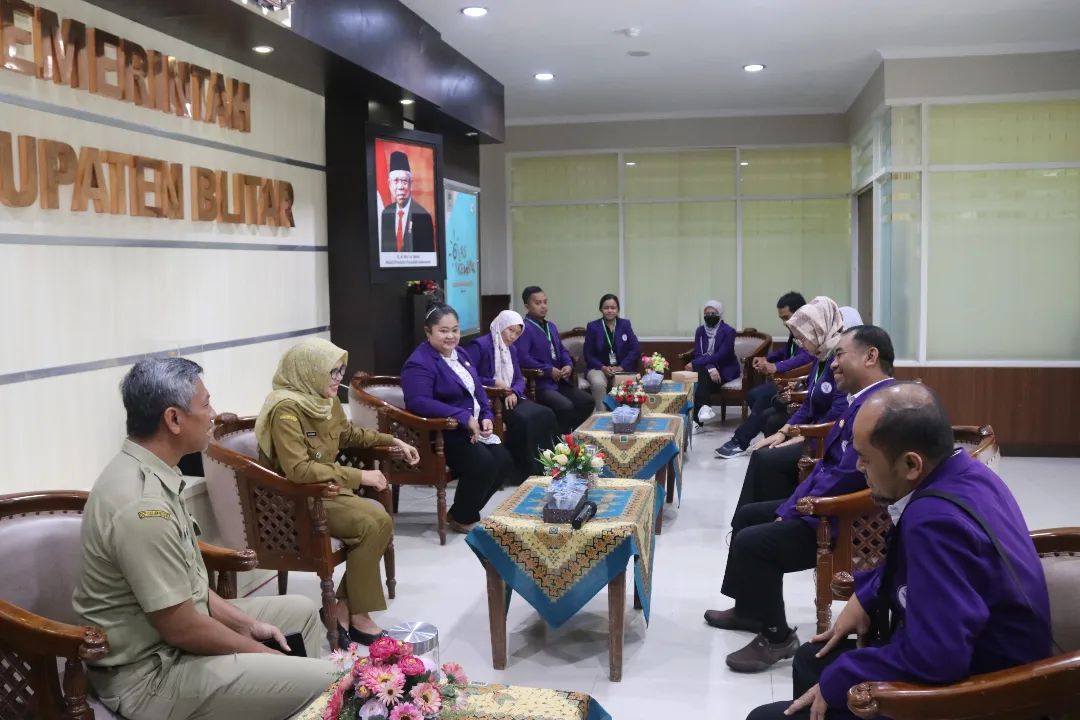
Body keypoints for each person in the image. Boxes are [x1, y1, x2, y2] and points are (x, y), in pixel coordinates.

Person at [747, 383, 1052, 720]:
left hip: (985, 694)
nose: (858, 468)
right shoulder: (968, 472)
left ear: (911, 464)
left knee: (768, 714)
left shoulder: (933, 522)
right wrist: (866, 595)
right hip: (978, 653)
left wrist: (840, 679)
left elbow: (939, 659)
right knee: (812, 659)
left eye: (865, 458)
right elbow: (923, 570)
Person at [73, 358, 338, 720]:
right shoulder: (142, 508)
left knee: (300, 611)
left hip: (169, 640)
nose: (213, 414)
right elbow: (182, 628)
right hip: (149, 675)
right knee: (331, 682)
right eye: (205, 403)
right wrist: (264, 656)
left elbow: (189, 586)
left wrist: (248, 626)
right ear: (173, 419)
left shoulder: (150, 471)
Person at [704, 325, 896, 673]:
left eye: (841, 355)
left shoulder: (880, 408)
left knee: (753, 542)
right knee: (748, 516)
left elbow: (847, 477)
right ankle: (749, 609)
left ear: (871, 356)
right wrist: (789, 506)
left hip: (842, 521)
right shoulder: (863, 400)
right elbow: (827, 467)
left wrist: (794, 511)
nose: (833, 363)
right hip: (823, 506)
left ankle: (777, 637)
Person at [254, 338, 421, 646]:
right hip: (295, 500)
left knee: (380, 520)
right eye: (331, 372)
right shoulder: (286, 409)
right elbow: (299, 470)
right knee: (372, 523)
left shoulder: (324, 399)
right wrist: (360, 476)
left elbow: (347, 434)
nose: (338, 379)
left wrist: (392, 440)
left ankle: (344, 607)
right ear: (308, 371)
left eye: (340, 371)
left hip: (325, 491)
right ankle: (358, 615)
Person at [725, 296, 852, 509]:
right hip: (812, 430)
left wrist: (801, 436)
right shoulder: (821, 357)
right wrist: (784, 432)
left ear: (818, 330)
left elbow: (838, 413)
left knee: (764, 459)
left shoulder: (838, 361)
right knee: (764, 450)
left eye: (803, 337)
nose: (800, 343)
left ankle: (769, 514)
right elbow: (808, 404)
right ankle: (758, 516)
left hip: (825, 439)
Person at [402, 303, 515, 533]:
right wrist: (462, 416)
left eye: (455, 330)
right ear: (428, 332)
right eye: (443, 331)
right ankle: (464, 517)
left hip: (470, 429)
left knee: (503, 461)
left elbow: (478, 389)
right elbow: (418, 401)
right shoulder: (419, 362)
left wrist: (486, 415)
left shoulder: (460, 354)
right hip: (443, 432)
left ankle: (459, 512)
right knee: (483, 463)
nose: (451, 336)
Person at [466, 309, 560, 484]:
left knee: (546, 413)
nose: (513, 336)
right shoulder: (480, 345)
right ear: (501, 325)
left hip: (510, 396)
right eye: (510, 330)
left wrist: (515, 391)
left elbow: (518, 378)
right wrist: (494, 382)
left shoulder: (511, 349)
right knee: (525, 420)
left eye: (517, 333)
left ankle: (547, 465)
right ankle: (524, 471)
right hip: (490, 400)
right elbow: (470, 377)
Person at [716, 291, 811, 458]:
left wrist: (776, 366)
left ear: (799, 313)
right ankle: (762, 428)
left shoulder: (810, 332)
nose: (784, 323)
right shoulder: (795, 329)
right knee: (753, 395)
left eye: (786, 317)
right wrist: (767, 358)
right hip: (787, 380)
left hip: (799, 383)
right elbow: (787, 352)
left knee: (763, 400)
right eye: (782, 318)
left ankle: (740, 441)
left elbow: (806, 358)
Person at [516, 285, 594, 433]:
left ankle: (570, 434)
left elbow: (562, 350)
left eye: (545, 302)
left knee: (587, 401)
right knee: (565, 407)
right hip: (541, 384)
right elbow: (523, 358)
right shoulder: (524, 329)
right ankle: (559, 439)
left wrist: (568, 365)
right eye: (538, 303)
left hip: (560, 381)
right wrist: (548, 370)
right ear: (527, 306)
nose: (543, 306)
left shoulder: (551, 326)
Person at [685, 300, 740, 426]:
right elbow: (698, 353)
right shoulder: (700, 331)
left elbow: (721, 355)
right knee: (700, 375)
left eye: (713, 313)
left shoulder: (728, 331)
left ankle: (698, 420)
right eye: (707, 313)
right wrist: (711, 368)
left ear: (719, 314)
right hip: (708, 371)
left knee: (698, 375)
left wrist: (695, 363)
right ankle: (704, 408)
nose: (709, 316)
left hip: (725, 369)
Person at [583, 293, 641, 411]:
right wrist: (603, 367)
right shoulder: (593, 326)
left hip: (621, 368)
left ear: (617, 309)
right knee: (598, 383)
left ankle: (622, 415)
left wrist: (621, 367)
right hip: (599, 368)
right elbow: (588, 354)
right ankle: (602, 414)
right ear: (601, 309)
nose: (609, 310)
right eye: (606, 308)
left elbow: (635, 349)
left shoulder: (625, 324)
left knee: (623, 383)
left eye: (613, 308)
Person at [380, 151, 435, 253]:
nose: (400, 187)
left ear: (411, 184)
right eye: (396, 181)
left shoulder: (423, 216)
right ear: (389, 184)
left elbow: (428, 255)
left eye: (404, 181)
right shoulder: (386, 214)